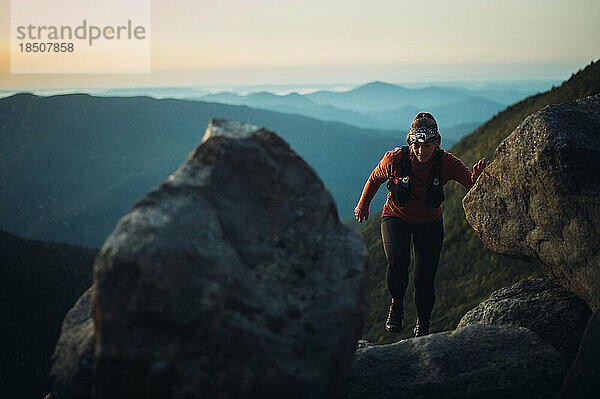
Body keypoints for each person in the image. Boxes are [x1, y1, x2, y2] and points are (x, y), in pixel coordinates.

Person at [354, 112, 488, 338]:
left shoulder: (447, 163)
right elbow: (374, 179)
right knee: (398, 261)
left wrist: (478, 180)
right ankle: (396, 306)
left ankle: (423, 325)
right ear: (410, 142)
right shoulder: (394, 159)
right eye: (417, 144)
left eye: (427, 144)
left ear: (436, 143)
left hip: (429, 222)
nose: (421, 150)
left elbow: (470, 184)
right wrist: (362, 206)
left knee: (424, 278)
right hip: (395, 217)